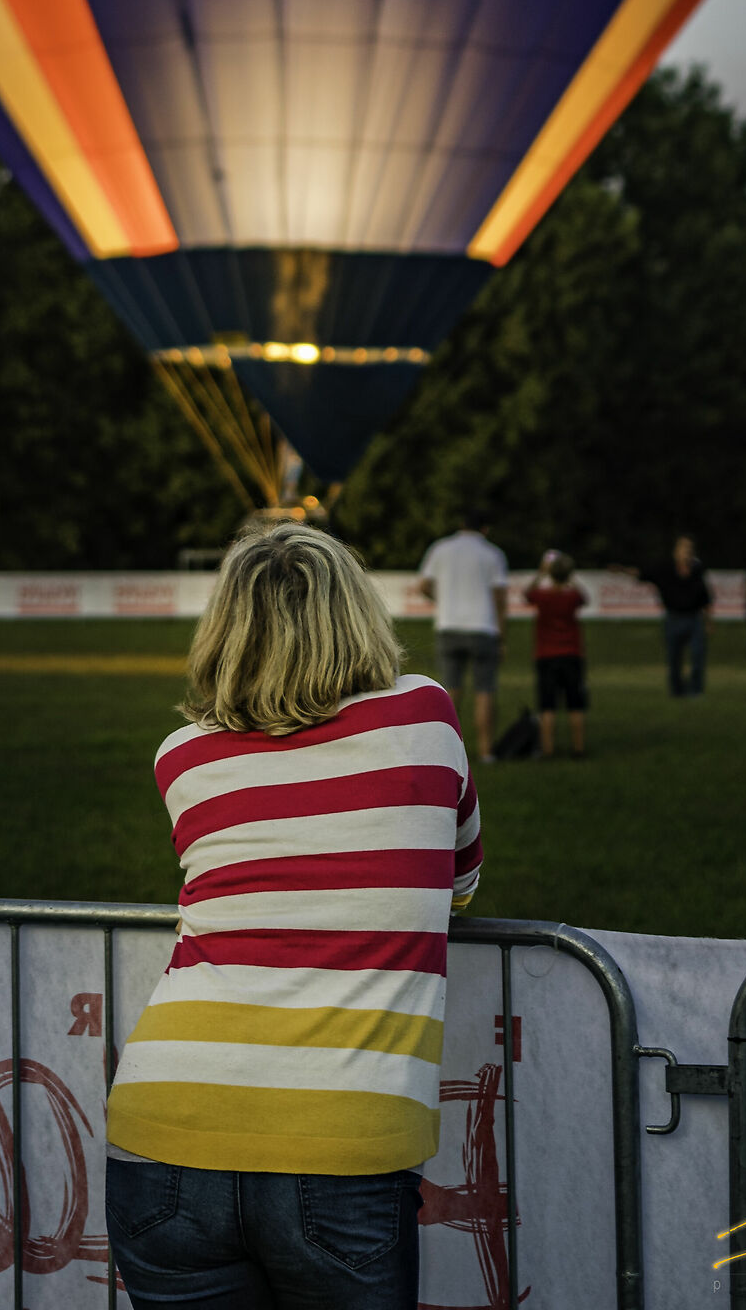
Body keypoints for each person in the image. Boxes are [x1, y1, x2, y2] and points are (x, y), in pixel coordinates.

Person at [104, 519, 482, 1310]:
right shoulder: (426, 716)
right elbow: (461, 884)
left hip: (164, 1131)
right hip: (343, 1142)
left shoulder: (182, 755)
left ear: (227, 631)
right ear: (357, 614)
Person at [417, 510, 509, 763]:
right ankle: (486, 751)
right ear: (485, 529)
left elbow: (423, 585)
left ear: (461, 524)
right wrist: (502, 637)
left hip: (448, 626)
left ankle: (447, 752)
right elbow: (500, 598)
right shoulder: (493, 554)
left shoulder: (441, 548)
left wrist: (442, 600)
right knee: (485, 691)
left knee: (450, 692)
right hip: (483, 628)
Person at [614, 536, 713, 697]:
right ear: (676, 552)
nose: (687, 553)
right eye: (683, 549)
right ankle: (677, 691)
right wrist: (622, 570)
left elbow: (705, 597)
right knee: (674, 658)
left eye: (689, 550)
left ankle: (696, 690)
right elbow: (641, 573)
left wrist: (708, 621)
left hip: (694, 618)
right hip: (673, 618)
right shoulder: (665, 570)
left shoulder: (697, 571)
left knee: (697, 656)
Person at [523, 549, 589, 757]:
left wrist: (541, 573)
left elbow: (526, 594)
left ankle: (548, 749)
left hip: (546, 655)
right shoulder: (572, 597)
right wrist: (570, 577)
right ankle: (578, 748)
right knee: (575, 704)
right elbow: (585, 598)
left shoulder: (542, 596)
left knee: (547, 705)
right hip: (571, 654)